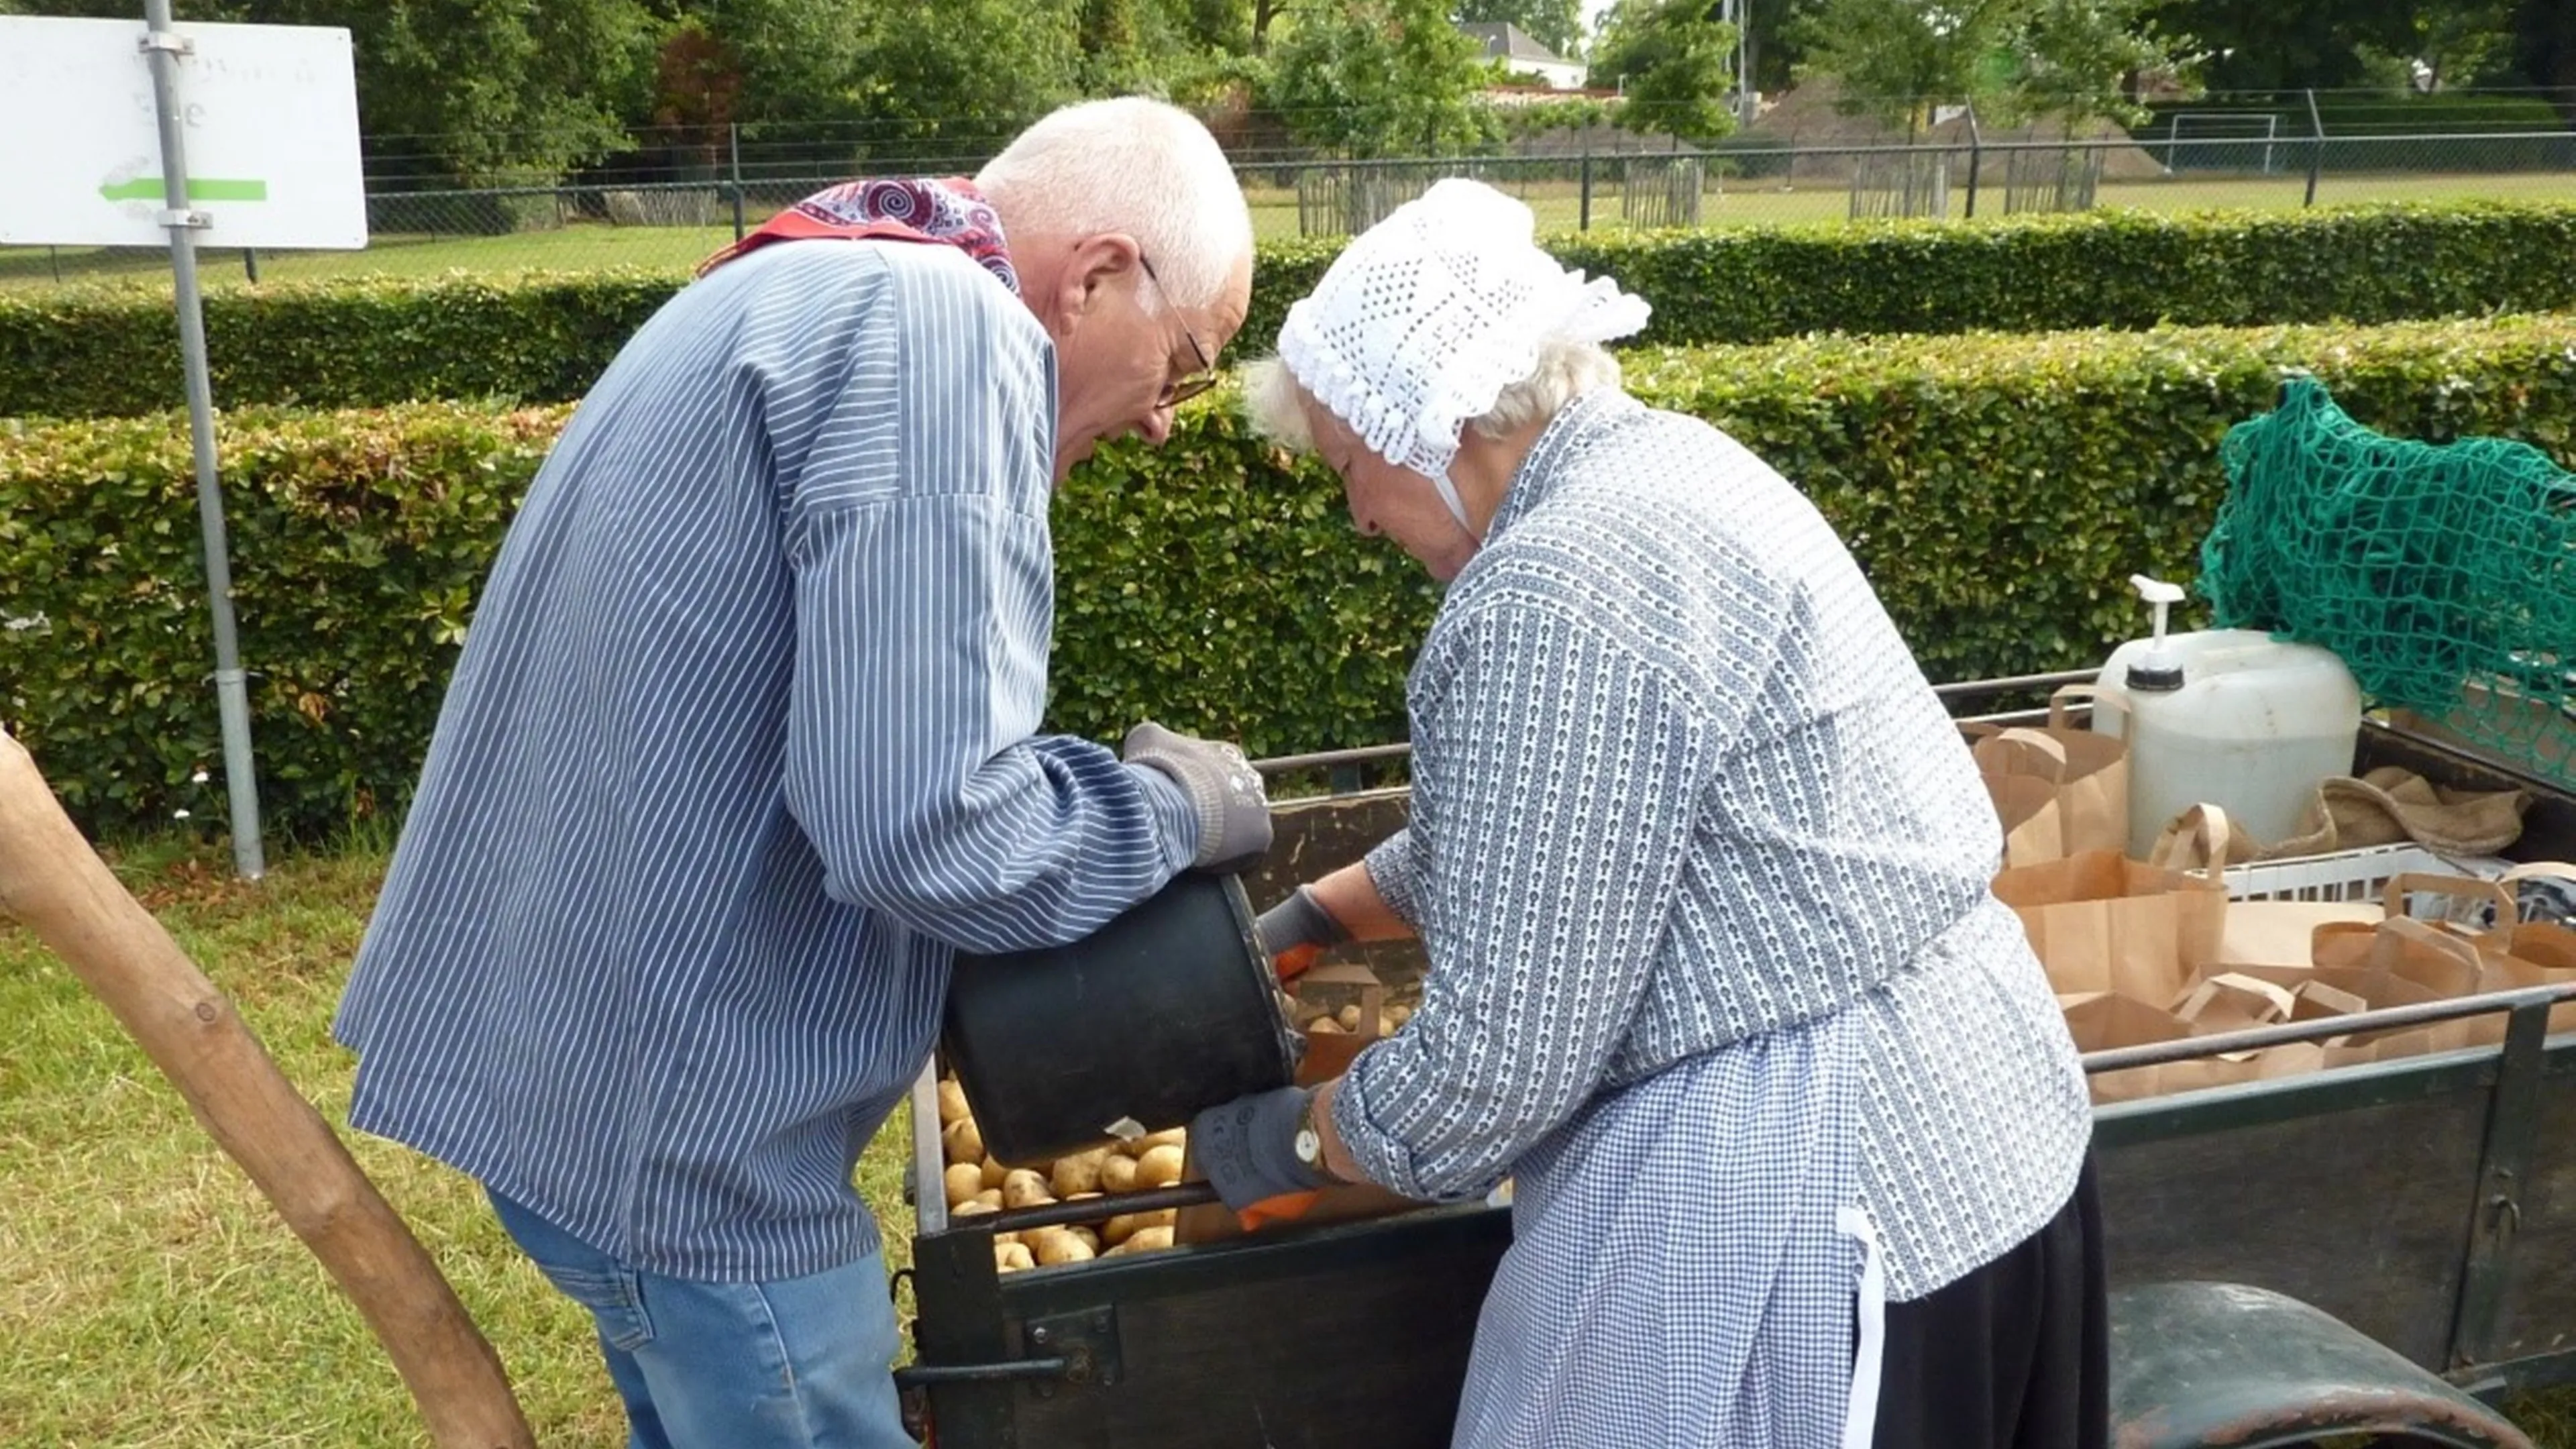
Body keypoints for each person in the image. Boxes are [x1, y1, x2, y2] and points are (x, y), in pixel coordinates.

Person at [333, 98, 1271, 1449]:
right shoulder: (948, 335)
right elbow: (930, 835)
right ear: (1098, 273)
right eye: (1185, 364)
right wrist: (1172, 812)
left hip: (582, 1080)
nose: (1167, 422)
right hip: (695, 1149)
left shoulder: (819, 276)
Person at [1191, 178, 2106, 1449]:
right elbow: (1541, 825)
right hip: (1990, 1127)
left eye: (1352, 467)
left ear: (1432, 427)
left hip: (1828, 1188)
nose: (1356, 512)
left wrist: (1302, 1142)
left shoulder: (1551, 593)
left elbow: (1499, 1067)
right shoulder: (1672, 465)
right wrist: (1307, 917)